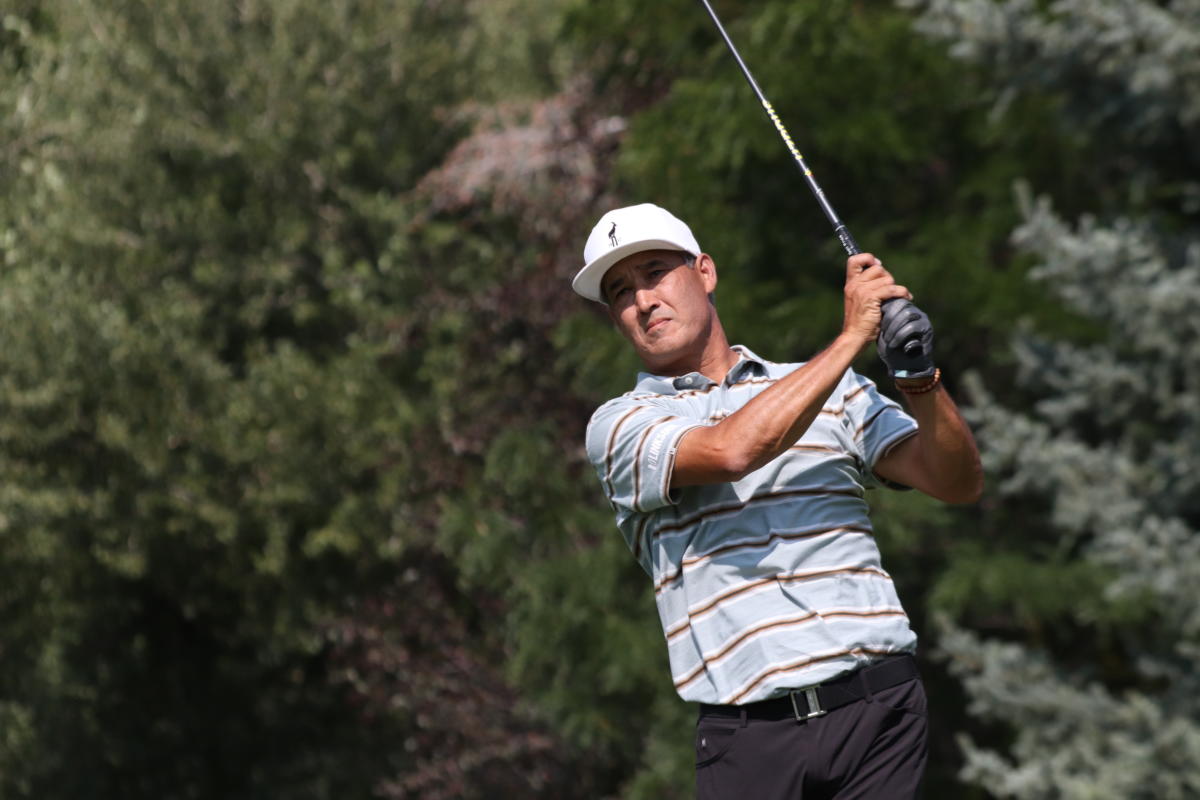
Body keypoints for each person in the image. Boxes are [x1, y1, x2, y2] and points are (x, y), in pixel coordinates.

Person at [572, 203, 982, 799]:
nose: (643, 300)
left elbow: (956, 482)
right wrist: (852, 338)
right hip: (748, 739)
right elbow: (732, 451)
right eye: (620, 292)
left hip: (878, 712)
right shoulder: (620, 425)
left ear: (705, 272)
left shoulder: (833, 389)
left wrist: (919, 379)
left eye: (655, 272)